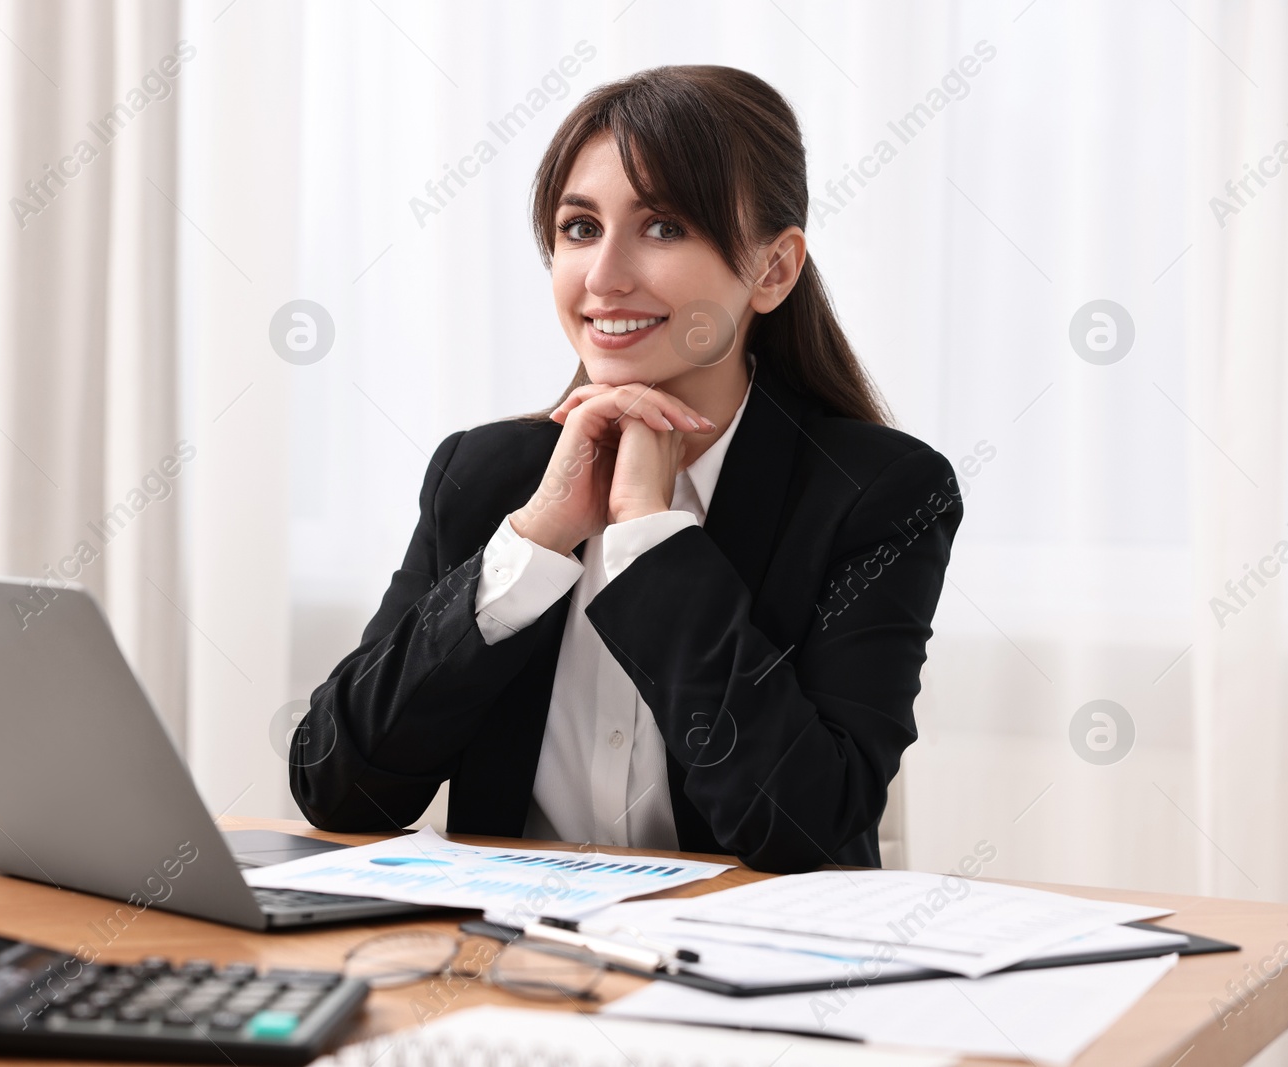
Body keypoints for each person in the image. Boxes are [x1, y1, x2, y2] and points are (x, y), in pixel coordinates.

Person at [289, 65, 963, 872]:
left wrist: (651, 536)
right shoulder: (486, 476)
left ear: (774, 270)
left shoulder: (878, 494)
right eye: (579, 228)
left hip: (737, 980)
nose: (604, 277)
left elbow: (804, 828)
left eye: (665, 226)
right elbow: (337, 786)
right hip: (512, 968)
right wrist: (533, 545)